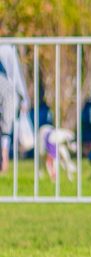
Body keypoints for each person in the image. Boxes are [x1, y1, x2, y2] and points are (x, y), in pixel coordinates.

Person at [0, 43, 31, 173]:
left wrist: (23, 97)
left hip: (8, 93)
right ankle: (4, 157)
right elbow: (16, 74)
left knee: (6, 126)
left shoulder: (6, 48)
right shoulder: (6, 48)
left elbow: (15, 74)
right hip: (8, 93)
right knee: (6, 126)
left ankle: (4, 157)